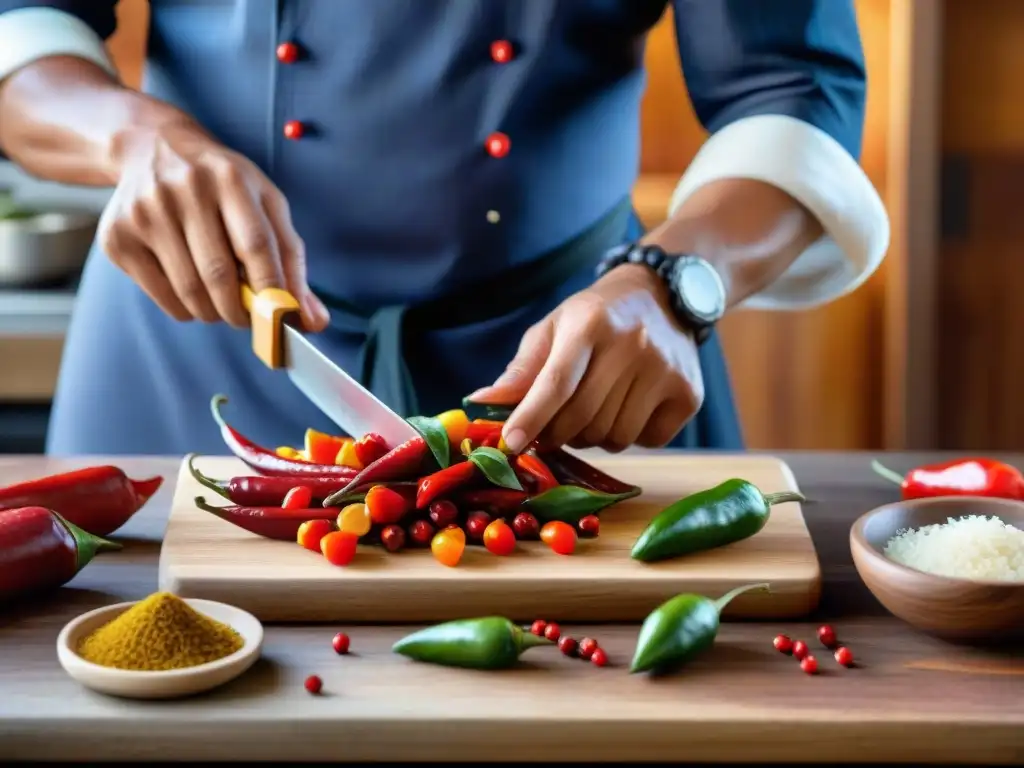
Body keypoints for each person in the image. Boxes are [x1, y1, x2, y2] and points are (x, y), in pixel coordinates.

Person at [0, 1, 888, 457]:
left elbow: (793, 88)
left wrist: (673, 282)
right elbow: (22, 28)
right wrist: (136, 139)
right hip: (190, 348)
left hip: (574, 374)